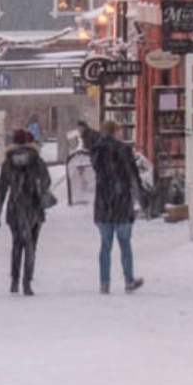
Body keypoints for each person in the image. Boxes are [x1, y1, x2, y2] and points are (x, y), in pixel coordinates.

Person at [77, 120, 146, 295]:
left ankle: (104, 283)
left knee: (105, 245)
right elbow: (133, 176)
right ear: (115, 131)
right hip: (121, 202)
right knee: (125, 244)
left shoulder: (96, 151)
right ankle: (129, 280)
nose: (121, 134)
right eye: (119, 131)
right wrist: (142, 198)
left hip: (103, 203)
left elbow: (99, 173)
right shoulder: (123, 150)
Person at [0, 127, 52, 296]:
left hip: (14, 207)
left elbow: (2, 190)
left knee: (17, 243)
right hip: (33, 207)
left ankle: (14, 280)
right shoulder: (37, 161)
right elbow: (46, 182)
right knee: (31, 245)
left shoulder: (8, 163)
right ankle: (27, 282)